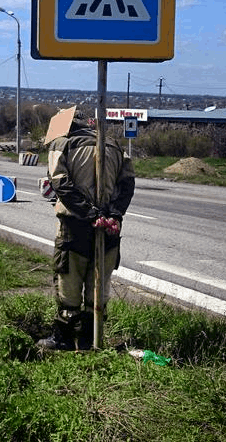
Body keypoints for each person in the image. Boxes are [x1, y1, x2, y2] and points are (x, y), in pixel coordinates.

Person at [37, 110, 135, 351]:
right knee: (98, 283)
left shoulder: (62, 144)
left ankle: (64, 338)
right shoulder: (114, 146)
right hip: (109, 230)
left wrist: (90, 214)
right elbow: (128, 184)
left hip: (75, 227)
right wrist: (113, 215)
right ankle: (92, 339)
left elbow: (60, 183)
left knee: (68, 282)